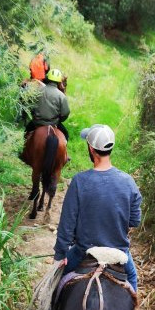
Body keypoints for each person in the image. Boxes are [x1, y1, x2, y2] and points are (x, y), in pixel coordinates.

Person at [53, 123, 141, 292]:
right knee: (132, 279)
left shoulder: (79, 181)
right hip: (119, 252)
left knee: (56, 285)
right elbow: (135, 221)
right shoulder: (129, 182)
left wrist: (60, 254)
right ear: (110, 149)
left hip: (84, 252)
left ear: (91, 150)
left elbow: (67, 224)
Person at [24, 68, 70, 142]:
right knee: (66, 135)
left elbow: (30, 106)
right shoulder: (61, 96)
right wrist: (59, 120)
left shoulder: (37, 91)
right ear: (59, 82)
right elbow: (65, 113)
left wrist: (34, 115)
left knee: (25, 134)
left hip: (37, 123)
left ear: (48, 79)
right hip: (53, 124)